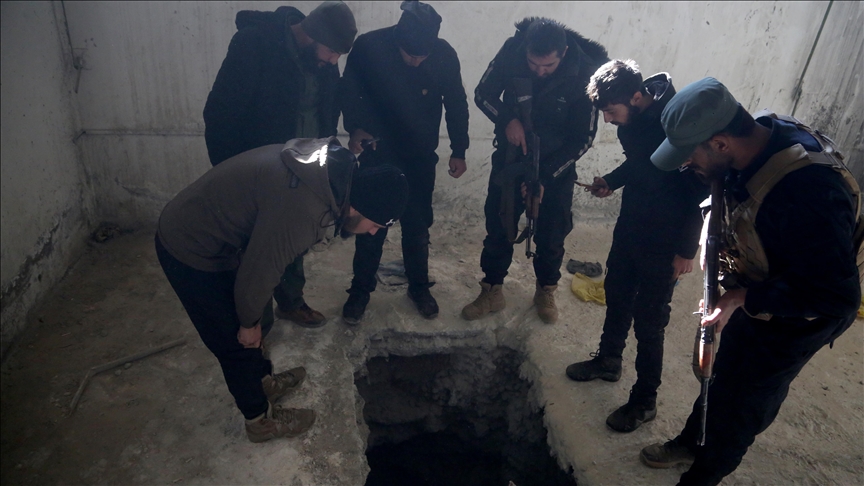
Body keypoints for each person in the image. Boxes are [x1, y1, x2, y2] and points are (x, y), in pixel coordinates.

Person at [639, 78, 861, 485]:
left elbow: (837, 297)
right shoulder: (755, 134)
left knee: (744, 403)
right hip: (758, 286)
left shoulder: (808, 193)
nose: (688, 165)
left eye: (691, 155)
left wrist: (745, 296)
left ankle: (702, 476)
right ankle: (692, 440)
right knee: (723, 374)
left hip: (800, 313)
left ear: (722, 143)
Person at [155, 137, 408, 443]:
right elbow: (260, 271)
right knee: (236, 339)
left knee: (248, 320)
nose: (371, 231)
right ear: (361, 205)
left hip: (217, 232)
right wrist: (249, 324)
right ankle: (260, 421)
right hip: (190, 244)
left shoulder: (331, 174)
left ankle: (262, 381)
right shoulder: (303, 208)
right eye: (376, 224)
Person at [565, 60, 707, 433]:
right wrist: (611, 180)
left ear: (637, 96)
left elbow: (698, 192)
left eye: (612, 112)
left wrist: (687, 251)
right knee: (617, 293)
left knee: (650, 319)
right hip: (631, 226)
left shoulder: (676, 126)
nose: (609, 121)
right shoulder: (632, 120)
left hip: (666, 240)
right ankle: (609, 361)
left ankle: (645, 401)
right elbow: (639, 164)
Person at [202, 1, 357, 328]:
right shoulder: (255, 44)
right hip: (260, 168)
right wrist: (228, 171)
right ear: (312, 34)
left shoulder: (326, 60)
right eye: (331, 52)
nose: (333, 61)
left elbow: (328, 109)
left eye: (338, 56)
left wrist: (330, 150)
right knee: (254, 249)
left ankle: (290, 301)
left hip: (307, 165)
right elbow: (220, 113)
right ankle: (254, 322)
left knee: (294, 237)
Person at [462, 17, 608, 324]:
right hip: (510, 159)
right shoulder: (513, 50)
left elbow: (584, 138)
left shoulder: (585, 72)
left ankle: (546, 290)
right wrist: (507, 120)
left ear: (564, 53)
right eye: (533, 64)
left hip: (556, 165)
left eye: (548, 66)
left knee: (552, 232)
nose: (539, 72)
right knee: (500, 224)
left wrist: (546, 177)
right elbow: (482, 93)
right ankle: (491, 290)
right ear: (526, 50)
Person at [339, 0, 470, 323]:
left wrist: (459, 148)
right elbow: (348, 92)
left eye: (421, 57)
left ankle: (419, 287)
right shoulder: (369, 47)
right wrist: (354, 127)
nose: (415, 62)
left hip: (419, 154)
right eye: (410, 55)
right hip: (376, 149)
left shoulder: (444, 55)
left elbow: (456, 102)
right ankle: (360, 290)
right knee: (371, 226)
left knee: (417, 223)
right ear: (398, 38)